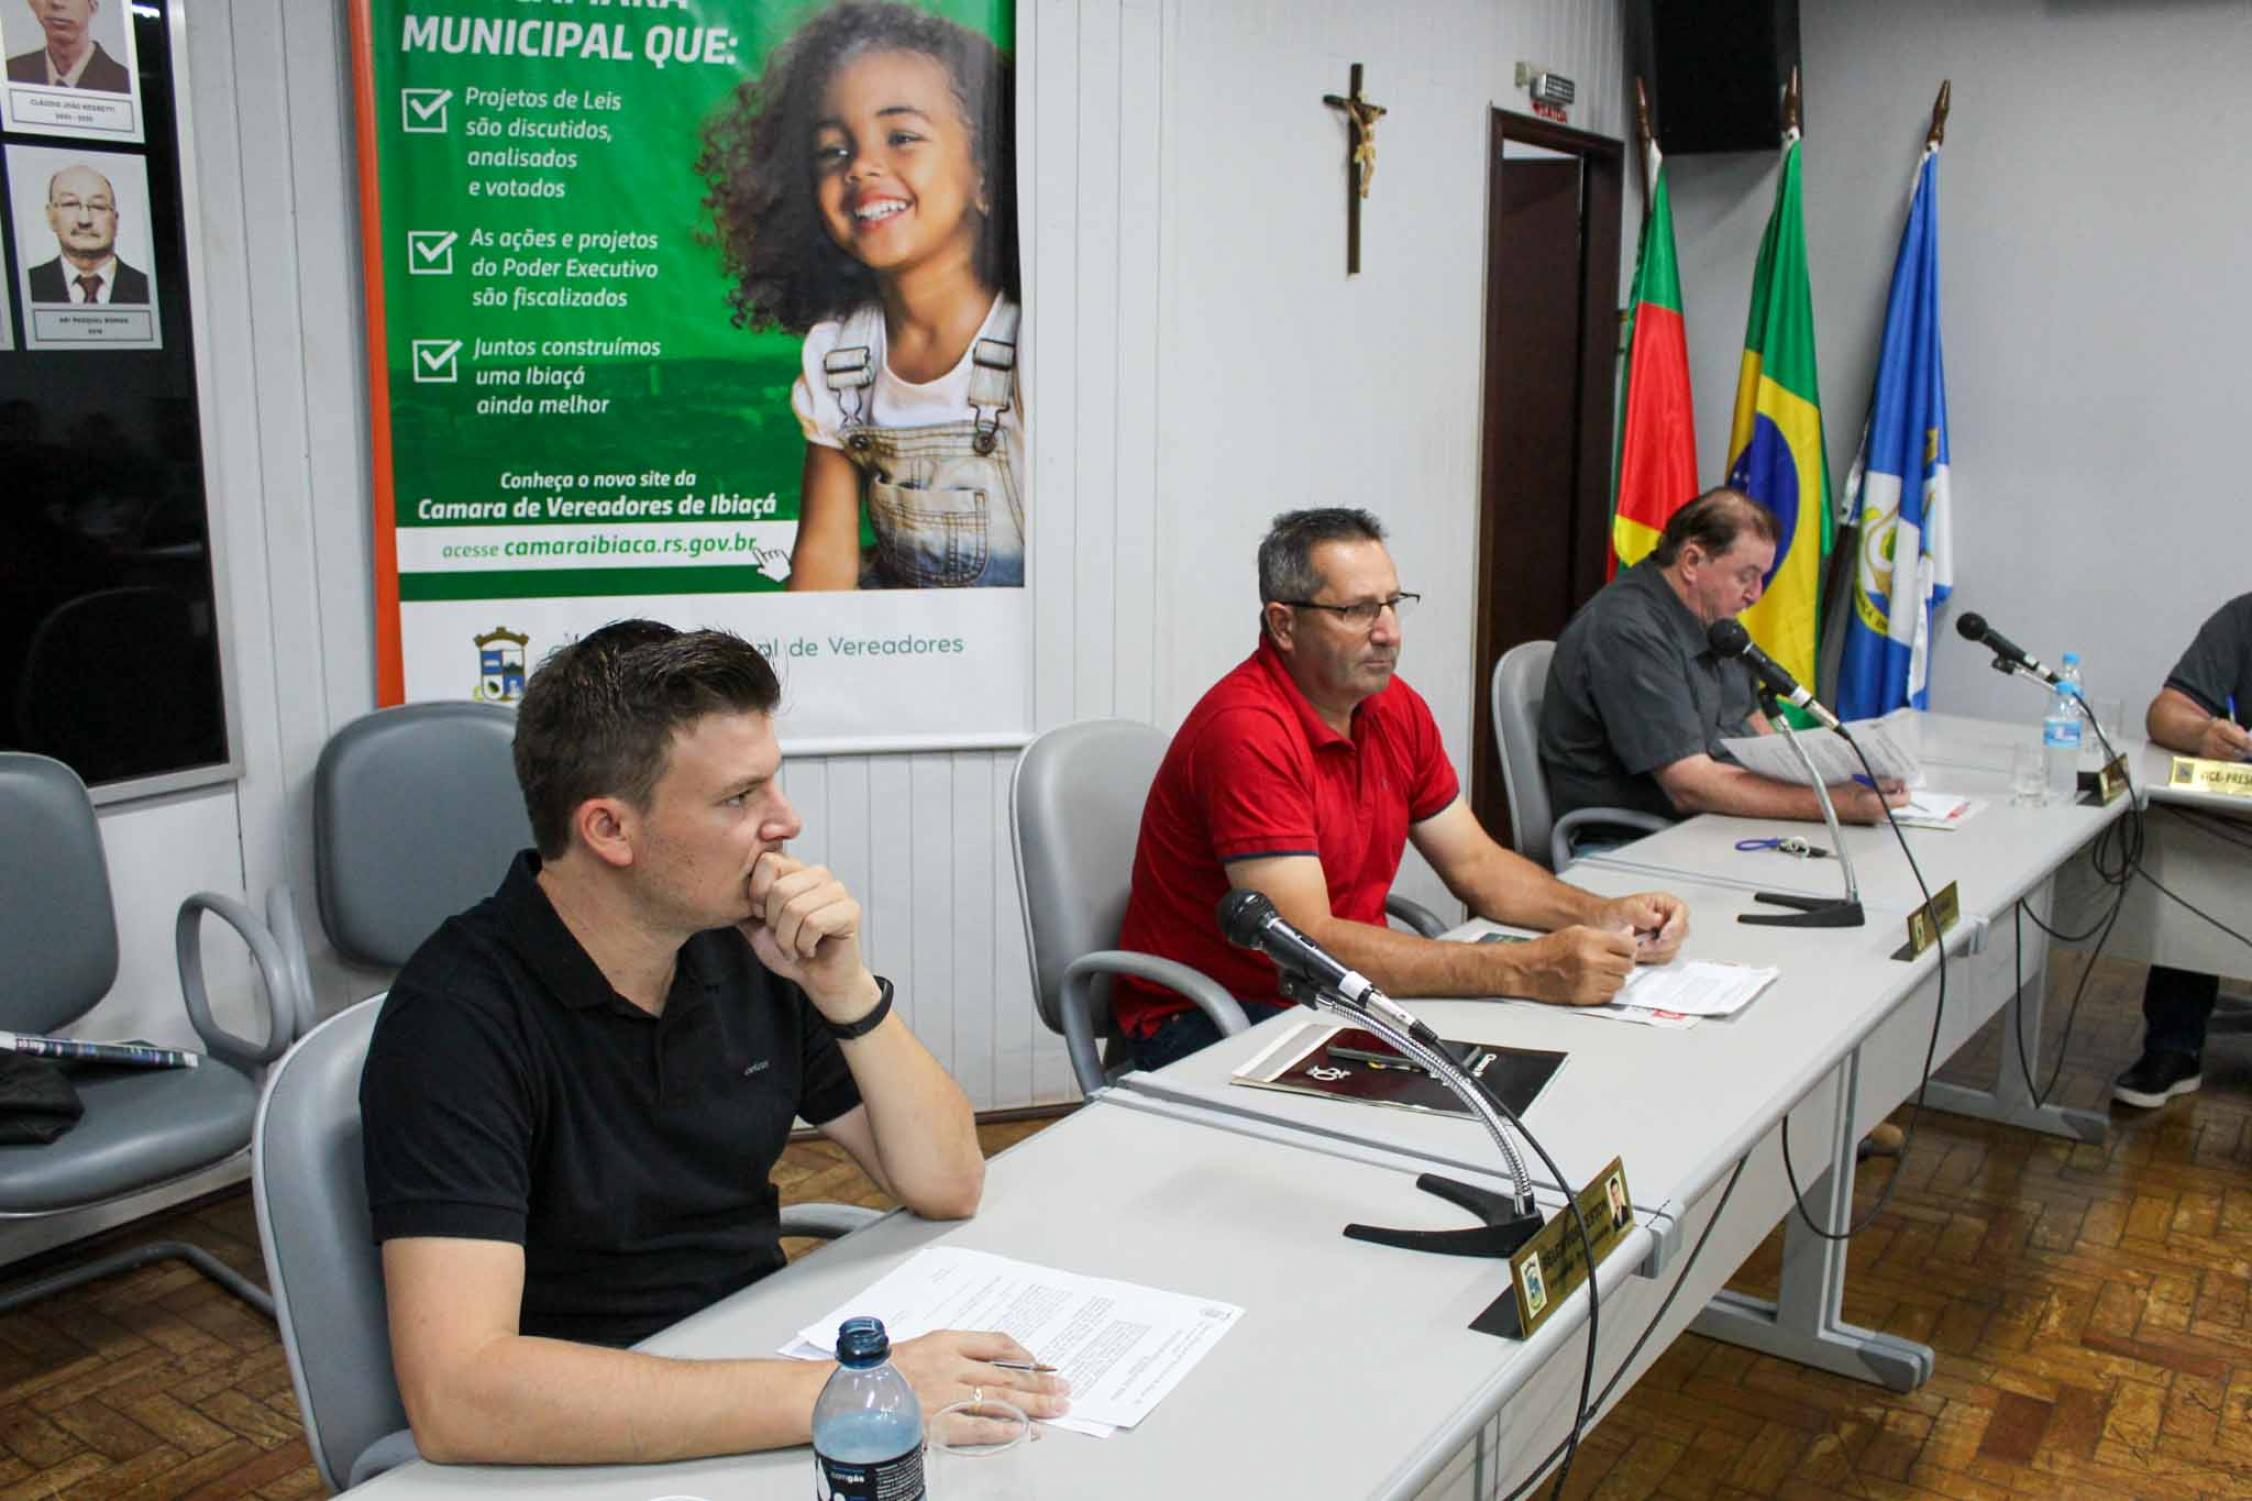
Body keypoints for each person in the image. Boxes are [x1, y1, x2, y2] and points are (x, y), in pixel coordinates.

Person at [359, 622, 1068, 1465]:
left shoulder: (740, 945)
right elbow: (460, 1397)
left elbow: (948, 1181)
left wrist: (843, 987)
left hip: (753, 1373)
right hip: (587, 1439)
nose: (786, 820)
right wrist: (852, 1389)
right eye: (740, 798)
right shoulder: (455, 1019)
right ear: (609, 829)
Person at [1113, 508, 1692, 1071]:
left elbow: (1478, 865)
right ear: (1284, 624)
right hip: (1217, 1018)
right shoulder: (1247, 731)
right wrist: (1524, 968)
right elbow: (1307, 945)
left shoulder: (1394, 707)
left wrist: (1600, 914)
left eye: (1392, 603)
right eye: (1357, 610)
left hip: (1332, 996)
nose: (1388, 632)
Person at [701, 1, 1022, 590]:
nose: (861, 166)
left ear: (986, 173)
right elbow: (824, 564)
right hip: (898, 641)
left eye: (902, 137)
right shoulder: (838, 354)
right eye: (834, 150)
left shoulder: (1029, 343)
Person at [1540, 487, 1907, 826]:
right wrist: (1834, 804)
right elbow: (1688, 785)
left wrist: (1831, 779)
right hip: (1633, 838)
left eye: (1761, 578)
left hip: (1710, 823)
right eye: (1746, 577)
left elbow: (1753, 722)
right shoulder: (1627, 630)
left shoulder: (1714, 621)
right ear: (1691, 561)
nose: (1756, 594)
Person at [2112, 591, 2252, 1108]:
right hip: (2238, 825)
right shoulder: (2244, 617)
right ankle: (2174, 1046)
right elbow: (2167, 713)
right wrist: (2202, 734)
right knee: (2194, 871)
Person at [25, 164, 149, 305]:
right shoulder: (26, 285)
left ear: (115, 220)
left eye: (98, 206)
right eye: (70, 204)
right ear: (51, 216)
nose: (84, 220)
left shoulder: (148, 288)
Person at [6, 0, 131, 92]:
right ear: (31, 3)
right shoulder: (10, 73)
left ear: (93, 4)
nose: (56, 2)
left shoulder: (124, 83)